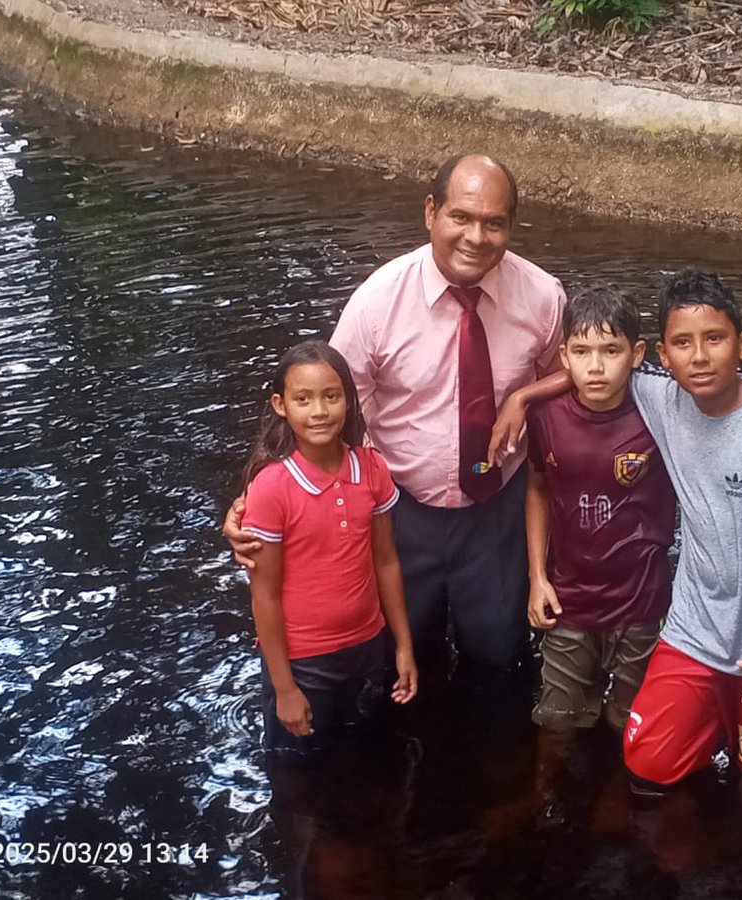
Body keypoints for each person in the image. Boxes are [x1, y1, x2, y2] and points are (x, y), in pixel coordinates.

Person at [494, 269, 742, 788]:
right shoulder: (660, 395)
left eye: (714, 339)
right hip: (694, 630)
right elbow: (598, 362)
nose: (698, 357)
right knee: (648, 764)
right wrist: (522, 397)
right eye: (682, 343)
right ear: (661, 355)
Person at [226, 154, 566, 672]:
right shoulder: (377, 304)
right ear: (431, 212)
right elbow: (322, 408)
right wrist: (255, 493)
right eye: (461, 217)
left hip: (498, 506)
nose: (476, 237)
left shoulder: (541, 297)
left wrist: (523, 397)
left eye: (493, 223)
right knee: (404, 657)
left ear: (511, 226)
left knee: (500, 654)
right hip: (400, 510)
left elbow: (570, 377)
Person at [524, 285, 676, 815]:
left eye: (611, 351)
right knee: (557, 716)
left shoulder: (662, 412)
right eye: (582, 351)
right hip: (570, 597)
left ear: (636, 354)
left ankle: (615, 800)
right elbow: (537, 488)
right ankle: (543, 797)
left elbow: (717, 395)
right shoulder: (546, 417)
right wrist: (537, 578)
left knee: (630, 716)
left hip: (643, 599)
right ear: (563, 355)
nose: (596, 366)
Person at [242, 341, 417, 763]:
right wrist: (285, 688)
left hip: (367, 647)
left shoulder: (371, 468)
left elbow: (386, 561)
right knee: (299, 770)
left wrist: (402, 645)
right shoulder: (272, 487)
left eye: (331, 396)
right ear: (281, 405)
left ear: (349, 401)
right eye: (303, 399)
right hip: (304, 662)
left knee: (365, 757)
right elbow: (264, 595)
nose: (319, 411)